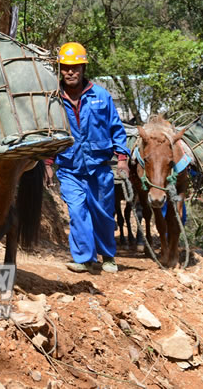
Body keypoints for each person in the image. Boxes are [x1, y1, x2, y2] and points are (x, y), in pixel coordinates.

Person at [44, 42, 130, 273]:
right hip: (70, 167)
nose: (70, 72)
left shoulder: (101, 96)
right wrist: (48, 163)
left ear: (83, 69)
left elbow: (116, 127)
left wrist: (122, 158)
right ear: (59, 69)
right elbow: (50, 132)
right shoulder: (53, 98)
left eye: (76, 67)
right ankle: (83, 258)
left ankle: (108, 256)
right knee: (77, 211)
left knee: (102, 213)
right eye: (65, 67)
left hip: (99, 168)